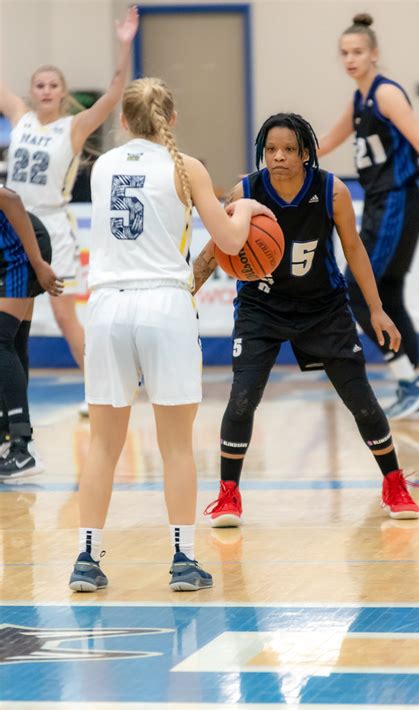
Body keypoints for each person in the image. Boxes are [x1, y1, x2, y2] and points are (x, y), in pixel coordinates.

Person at [67, 77, 276, 593]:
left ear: (123, 121)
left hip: (109, 306)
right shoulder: (187, 168)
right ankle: (183, 559)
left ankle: (86, 560)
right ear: (173, 119)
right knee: (177, 445)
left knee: (102, 446)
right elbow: (229, 240)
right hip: (164, 304)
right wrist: (247, 208)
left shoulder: (101, 168)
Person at [195, 112, 419, 529]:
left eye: (288, 150)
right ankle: (228, 494)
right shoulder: (246, 192)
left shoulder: (330, 190)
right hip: (261, 307)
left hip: (323, 307)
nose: (278, 157)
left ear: (305, 154)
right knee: (242, 397)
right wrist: (185, 291)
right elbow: (216, 250)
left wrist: (375, 309)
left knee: (361, 398)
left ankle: (394, 481)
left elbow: (354, 250)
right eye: (271, 150)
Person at [317, 13, 419, 421]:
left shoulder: (386, 95)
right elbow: (326, 143)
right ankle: (414, 385)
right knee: (388, 295)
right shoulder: (359, 99)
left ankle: (411, 380)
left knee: (356, 289)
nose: (350, 59)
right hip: (382, 202)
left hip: (398, 200)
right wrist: (277, 162)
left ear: (374, 54)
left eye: (357, 52)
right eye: (344, 53)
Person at [0, 5, 139, 418]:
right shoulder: (20, 118)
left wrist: (124, 46)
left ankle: (97, 391)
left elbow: (115, 94)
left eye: (52, 84)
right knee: (14, 324)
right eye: (39, 84)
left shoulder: (73, 127)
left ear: (63, 92)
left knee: (65, 317)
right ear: (31, 90)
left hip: (52, 227)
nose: (45, 90)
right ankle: (12, 408)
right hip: (12, 224)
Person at [0, 186, 62, 481]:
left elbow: (9, 198)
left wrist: (38, 264)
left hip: (20, 249)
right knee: (11, 342)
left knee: (1, 340)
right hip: (7, 251)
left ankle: (22, 448)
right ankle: (8, 439)